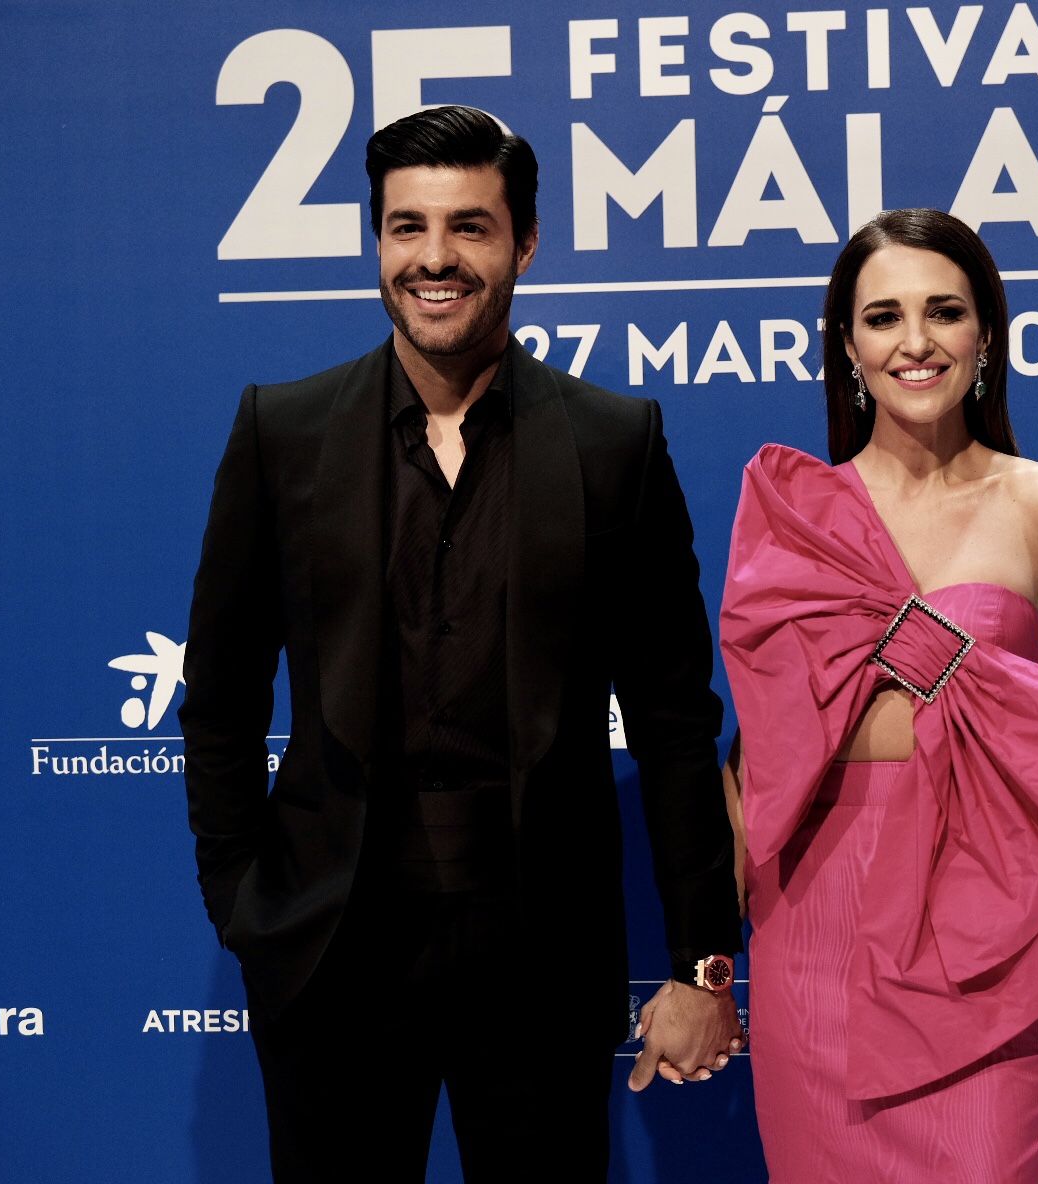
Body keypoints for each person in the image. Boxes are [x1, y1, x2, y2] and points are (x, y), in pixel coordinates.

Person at [180, 105, 742, 1183]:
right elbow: (220, 697)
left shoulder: (613, 445)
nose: (433, 258)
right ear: (376, 240)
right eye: (406, 228)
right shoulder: (281, 431)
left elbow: (676, 723)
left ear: (525, 242)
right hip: (330, 948)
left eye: (469, 227)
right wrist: (244, 905)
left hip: (539, 951)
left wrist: (701, 960)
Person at [719, 208, 1038, 1182]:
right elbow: (765, 734)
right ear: (848, 345)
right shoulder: (801, 517)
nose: (915, 342)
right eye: (883, 317)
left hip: (986, 910)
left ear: (985, 332)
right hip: (815, 913)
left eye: (944, 312)